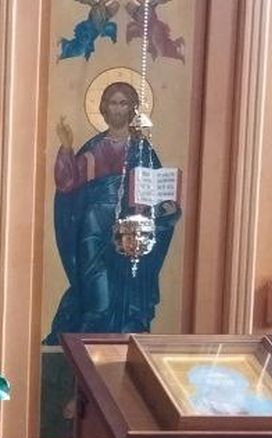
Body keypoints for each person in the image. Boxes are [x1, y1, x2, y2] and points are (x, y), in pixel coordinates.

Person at [42, 81, 181, 343]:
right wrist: (67, 148)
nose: (117, 109)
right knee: (97, 296)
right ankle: (85, 348)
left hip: (130, 230)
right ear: (104, 108)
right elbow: (68, 184)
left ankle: (123, 344)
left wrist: (167, 207)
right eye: (113, 103)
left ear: (132, 109)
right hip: (93, 229)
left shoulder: (142, 150)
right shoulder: (94, 148)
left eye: (123, 103)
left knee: (130, 293)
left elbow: (157, 191)